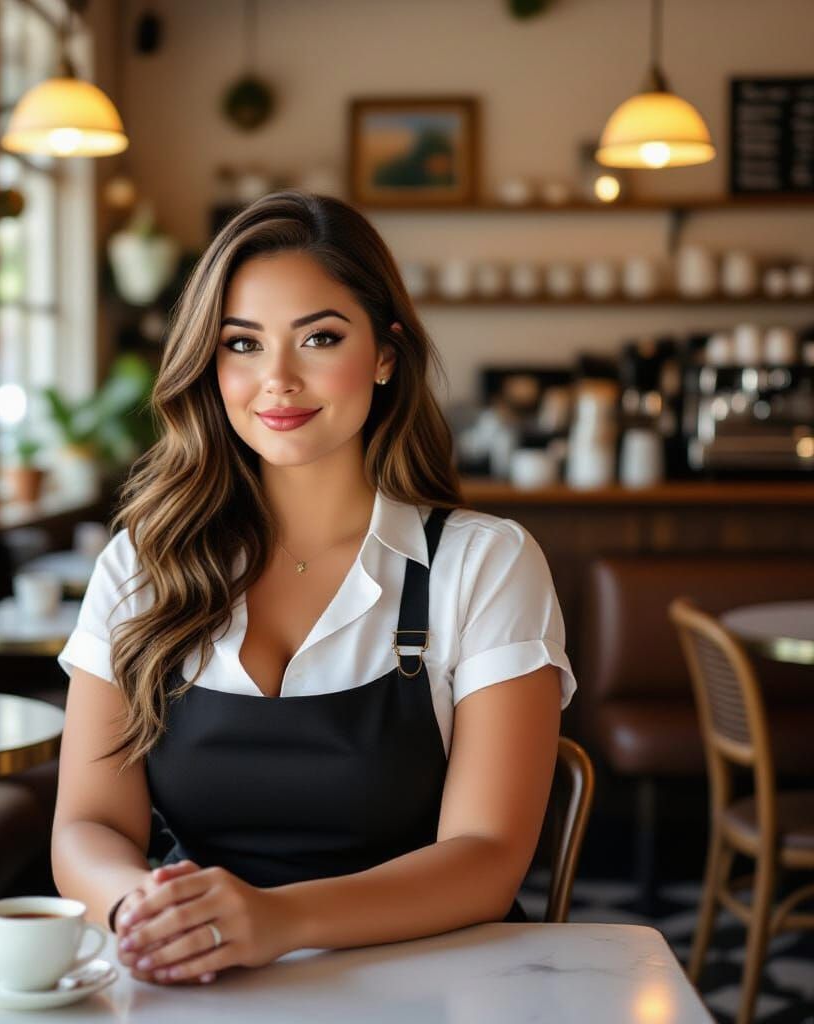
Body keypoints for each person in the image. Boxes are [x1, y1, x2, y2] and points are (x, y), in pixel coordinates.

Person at [53, 190, 577, 987]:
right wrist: (143, 912)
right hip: (204, 982)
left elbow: (488, 859)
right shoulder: (141, 565)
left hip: (436, 986)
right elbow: (87, 827)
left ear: (385, 355)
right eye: (243, 344)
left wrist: (279, 921)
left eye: (319, 338)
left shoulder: (485, 564)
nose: (278, 381)